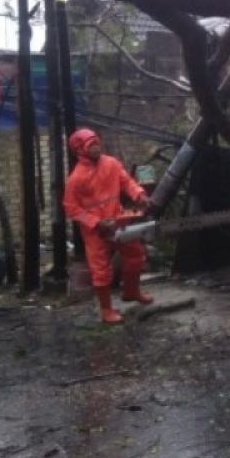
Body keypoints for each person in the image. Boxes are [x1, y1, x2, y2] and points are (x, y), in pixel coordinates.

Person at [63, 129, 153, 324]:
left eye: (96, 143)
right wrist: (96, 223)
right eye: (90, 145)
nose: (96, 148)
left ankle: (131, 291)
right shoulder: (76, 179)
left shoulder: (111, 163)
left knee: (136, 255)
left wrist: (139, 195)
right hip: (95, 230)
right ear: (80, 150)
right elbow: (71, 209)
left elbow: (126, 181)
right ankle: (106, 309)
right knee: (101, 270)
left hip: (117, 221)